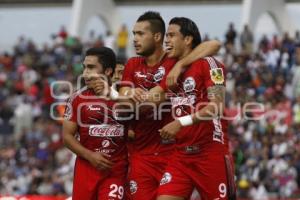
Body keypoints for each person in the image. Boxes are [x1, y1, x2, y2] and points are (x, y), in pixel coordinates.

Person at [92, 11, 221, 200]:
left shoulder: (173, 59)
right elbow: (123, 106)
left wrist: (180, 65)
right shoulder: (132, 64)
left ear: (157, 36)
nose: (134, 39)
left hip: (171, 152)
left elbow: (214, 45)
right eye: (133, 34)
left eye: (140, 34)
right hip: (141, 155)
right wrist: (126, 96)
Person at [139, 17, 236, 200]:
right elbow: (153, 97)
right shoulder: (168, 68)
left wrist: (180, 123)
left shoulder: (209, 64)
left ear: (188, 39)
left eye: (172, 35)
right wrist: (115, 95)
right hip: (180, 156)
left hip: (210, 154)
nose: (167, 40)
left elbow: (217, 106)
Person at [63, 47, 128, 200]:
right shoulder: (77, 99)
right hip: (86, 170)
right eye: (84, 67)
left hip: (115, 170)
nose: (85, 73)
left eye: (91, 68)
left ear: (108, 71)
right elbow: (67, 137)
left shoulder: (125, 97)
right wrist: (90, 156)